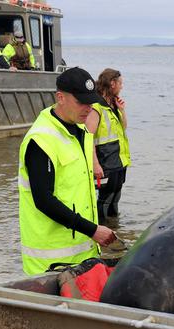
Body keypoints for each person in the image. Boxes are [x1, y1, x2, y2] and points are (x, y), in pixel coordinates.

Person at [18, 67, 116, 275]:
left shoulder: (81, 131)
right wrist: (93, 230)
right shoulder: (41, 139)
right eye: (81, 102)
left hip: (84, 253)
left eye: (91, 102)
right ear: (60, 97)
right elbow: (43, 200)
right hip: (50, 261)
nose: (88, 108)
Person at [84, 68, 130, 224]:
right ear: (112, 83)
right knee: (105, 199)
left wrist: (122, 110)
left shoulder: (113, 104)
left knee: (115, 198)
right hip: (105, 163)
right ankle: (102, 232)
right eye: (120, 83)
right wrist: (95, 164)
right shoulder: (96, 107)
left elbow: (123, 127)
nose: (121, 86)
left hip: (118, 161)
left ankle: (115, 230)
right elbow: (88, 137)